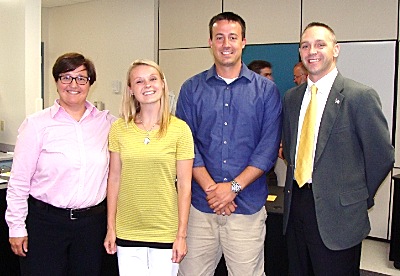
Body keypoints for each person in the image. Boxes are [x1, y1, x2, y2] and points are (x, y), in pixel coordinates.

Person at [282, 22, 395, 275]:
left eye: (321, 44)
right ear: (300, 52)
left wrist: (357, 196)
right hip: (297, 207)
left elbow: (382, 156)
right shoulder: (291, 98)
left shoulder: (359, 96)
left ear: (336, 50)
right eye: (306, 45)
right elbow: (291, 150)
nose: (312, 51)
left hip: (339, 216)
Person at [176, 12, 282, 275]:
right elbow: (186, 147)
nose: (226, 44)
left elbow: (267, 150)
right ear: (210, 42)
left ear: (244, 41)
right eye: (219, 37)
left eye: (233, 37)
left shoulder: (266, 91)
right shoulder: (191, 89)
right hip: (200, 207)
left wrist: (233, 188)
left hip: (246, 209)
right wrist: (215, 190)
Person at [5, 52, 116, 275]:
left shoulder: (108, 124)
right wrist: (16, 227)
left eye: (81, 78)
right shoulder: (36, 125)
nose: (73, 84)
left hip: (90, 227)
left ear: (90, 84)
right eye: (66, 77)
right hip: (46, 224)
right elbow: (18, 182)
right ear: (56, 82)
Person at [103, 59, 194, 276]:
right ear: (130, 90)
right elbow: (114, 179)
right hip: (128, 229)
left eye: (153, 79)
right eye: (139, 81)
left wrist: (181, 235)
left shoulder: (180, 130)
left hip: (165, 230)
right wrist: (111, 228)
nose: (147, 85)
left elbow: (184, 186)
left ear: (162, 84)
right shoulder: (119, 129)